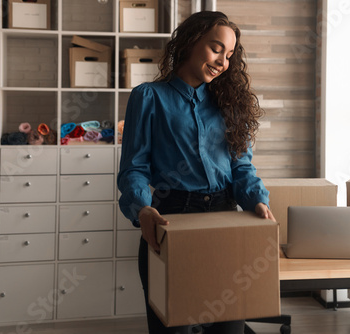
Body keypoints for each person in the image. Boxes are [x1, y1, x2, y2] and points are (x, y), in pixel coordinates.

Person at [117, 10, 275, 334]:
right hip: (171, 219)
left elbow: (241, 165)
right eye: (216, 48)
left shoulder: (229, 103)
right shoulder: (148, 97)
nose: (222, 61)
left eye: (229, 55)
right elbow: (134, 167)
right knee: (173, 326)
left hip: (224, 218)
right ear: (191, 41)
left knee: (228, 326)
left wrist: (256, 200)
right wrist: (142, 208)